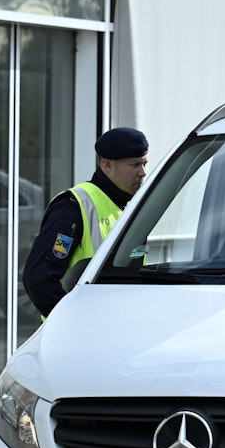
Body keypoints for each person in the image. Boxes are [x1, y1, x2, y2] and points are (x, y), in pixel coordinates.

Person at [23, 126, 149, 318]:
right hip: (78, 338)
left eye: (144, 164)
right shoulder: (74, 206)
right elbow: (39, 279)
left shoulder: (126, 207)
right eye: (134, 165)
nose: (143, 173)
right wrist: (72, 322)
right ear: (107, 165)